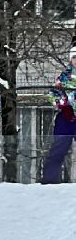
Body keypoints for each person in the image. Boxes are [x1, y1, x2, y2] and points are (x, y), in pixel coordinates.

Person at [40, 44, 76, 184]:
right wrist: (62, 102)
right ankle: (49, 181)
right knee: (57, 151)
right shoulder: (64, 78)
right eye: (74, 57)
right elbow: (52, 95)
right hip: (66, 119)